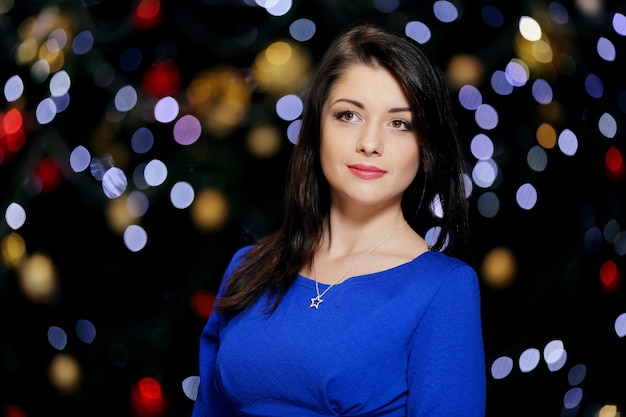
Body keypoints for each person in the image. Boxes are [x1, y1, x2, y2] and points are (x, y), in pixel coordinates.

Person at [191, 23, 486, 417]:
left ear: (424, 147)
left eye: (399, 123)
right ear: (317, 129)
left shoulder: (443, 289)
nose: (370, 143)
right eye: (348, 115)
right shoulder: (248, 267)